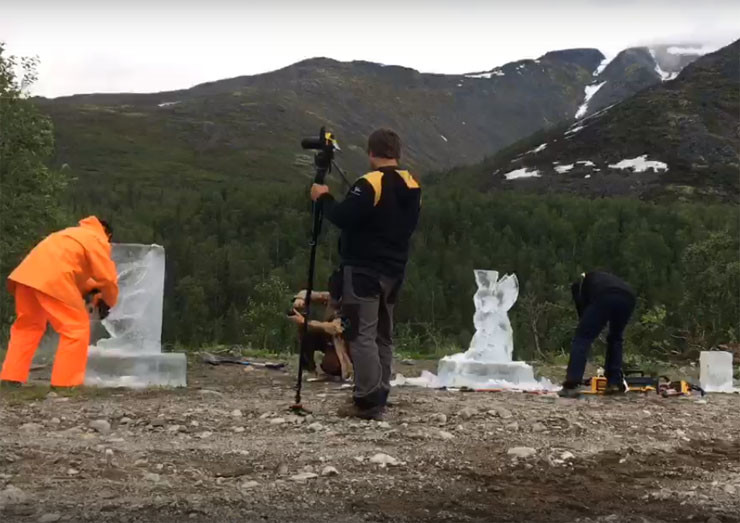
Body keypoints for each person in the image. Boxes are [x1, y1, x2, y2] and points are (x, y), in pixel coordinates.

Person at [310, 129, 421, 419]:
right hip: (394, 271)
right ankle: (380, 391)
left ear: (371, 152)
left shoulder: (371, 183)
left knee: (361, 334)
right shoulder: (412, 184)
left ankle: (367, 400)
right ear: (397, 152)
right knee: (383, 334)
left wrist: (323, 198)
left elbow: (343, 217)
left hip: (364, 270)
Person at [0, 216, 118, 388]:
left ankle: (11, 377)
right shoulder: (97, 239)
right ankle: (66, 383)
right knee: (76, 328)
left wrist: (94, 293)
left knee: (27, 327)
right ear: (107, 233)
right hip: (52, 280)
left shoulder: (69, 234)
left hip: (26, 278)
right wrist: (108, 301)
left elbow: (69, 271)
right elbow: (107, 279)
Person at [559, 271, 636, 398]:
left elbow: (583, 311)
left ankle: (572, 384)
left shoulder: (579, 286)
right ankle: (614, 382)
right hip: (628, 297)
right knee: (616, 337)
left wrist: (587, 325)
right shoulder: (598, 278)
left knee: (582, 338)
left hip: (605, 295)